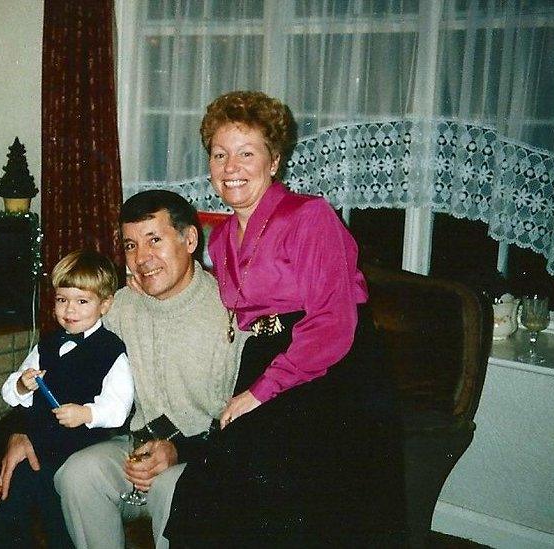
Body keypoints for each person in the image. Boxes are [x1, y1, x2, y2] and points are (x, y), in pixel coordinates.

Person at [164, 90, 405, 546]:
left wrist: (260, 391)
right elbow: (227, 304)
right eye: (220, 154)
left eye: (246, 153)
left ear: (274, 162)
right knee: (210, 479)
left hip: (330, 369)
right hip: (268, 358)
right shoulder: (218, 241)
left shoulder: (309, 217)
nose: (230, 167)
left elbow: (333, 322)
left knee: (263, 485)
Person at [0, 190, 245, 549]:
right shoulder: (117, 307)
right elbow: (54, 364)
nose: (142, 258)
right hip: (132, 445)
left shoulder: (232, 309)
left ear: (190, 239)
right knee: (78, 474)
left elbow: (249, 420)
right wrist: (21, 431)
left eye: (154, 240)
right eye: (130, 246)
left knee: (169, 488)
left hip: (205, 455)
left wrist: (182, 452)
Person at [0, 249, 134, 549]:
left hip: (78, 448)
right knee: (10, 499)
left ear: (105, 304)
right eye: (62, 300)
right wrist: (22, 385)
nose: (69, 309)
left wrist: (87, 414)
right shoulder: (45, 345)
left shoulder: (112, 351)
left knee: (59, 515)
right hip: (40, 444)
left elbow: (119, 407)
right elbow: (10, 393)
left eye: (82, 301)